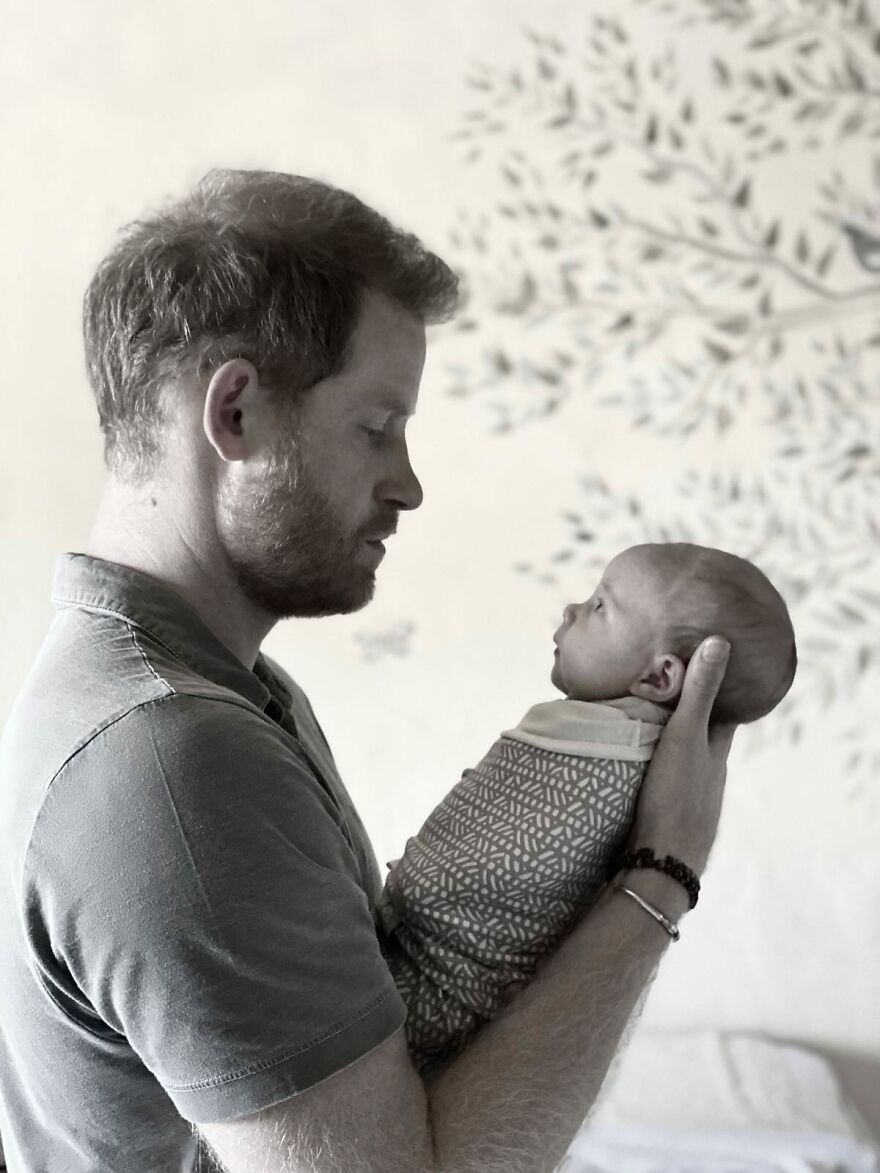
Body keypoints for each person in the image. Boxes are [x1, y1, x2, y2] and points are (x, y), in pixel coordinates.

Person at [0, 168, 737, 1173]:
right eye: (376, 426)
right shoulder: (172, 761)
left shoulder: (198, 689)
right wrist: (660, 878)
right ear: (239, 416)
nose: (409, 484)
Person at [377, 542, 797, 1078]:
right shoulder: (590, 733)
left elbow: (528, 874)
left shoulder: (625, 761)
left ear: (658, 679)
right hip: (408, 957)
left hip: (441, 994)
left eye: (601, 606)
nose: (571, 611)